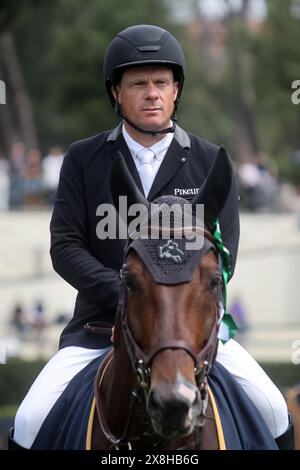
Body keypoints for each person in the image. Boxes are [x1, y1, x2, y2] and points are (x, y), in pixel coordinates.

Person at [12, 24, 292, 449]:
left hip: (191, 337)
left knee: (273, 410)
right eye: (138, 83)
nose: (152, 93)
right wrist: (123, 293)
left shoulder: (210, 161)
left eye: (161, 82)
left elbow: (224, 254)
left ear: (176, 90)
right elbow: (65, 246)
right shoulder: (84, 159)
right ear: (116, 94)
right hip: (98, 329)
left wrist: (169, 301)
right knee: (30, 420)